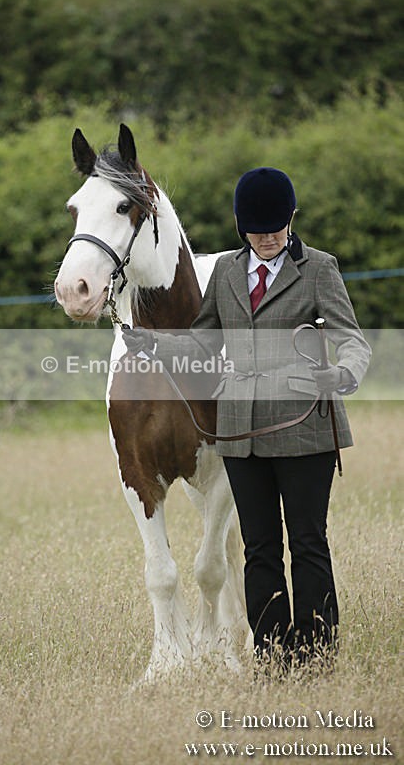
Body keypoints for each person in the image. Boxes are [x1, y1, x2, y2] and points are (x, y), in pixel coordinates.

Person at [123, 167, 371, 671]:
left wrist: (343, 374)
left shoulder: (320, 268)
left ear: (291, 220)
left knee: (306, 543)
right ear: (242, 228)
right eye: (257, 232)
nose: (267, 240)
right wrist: (154, 342)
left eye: (276, 230)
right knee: (259, 549)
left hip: (304, 428)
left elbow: (353, 340)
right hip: (241, 436)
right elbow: (203, 338)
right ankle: (275, 656)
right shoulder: (228, 274)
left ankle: (316, 658)